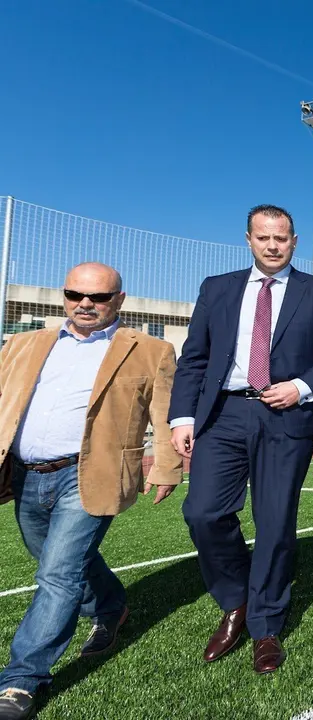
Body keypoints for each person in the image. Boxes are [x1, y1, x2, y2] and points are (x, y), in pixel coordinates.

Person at [168, 205, 313, 674]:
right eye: (264, 237)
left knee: (274, 524)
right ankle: (237, 599)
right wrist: (182, 417)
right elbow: (194, 357)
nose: (273, 246)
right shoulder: (218, 288)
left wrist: (302, 386)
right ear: (248, 239)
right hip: (223, 414)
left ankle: (265, 625)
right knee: (203, 512)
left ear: (294, 241)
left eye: (283, 238)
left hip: (285, 416)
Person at [0, 263, 183, 720]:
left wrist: (168, 467)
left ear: (119, 300)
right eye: (75, 294)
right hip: (26, 473)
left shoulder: (151, 350)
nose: (86, 304)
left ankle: (20, 681)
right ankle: (112, 606)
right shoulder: (24, 344)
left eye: (98, 297)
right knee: (55, 558)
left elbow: (165, 413)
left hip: (90, 474)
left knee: (58, 575)